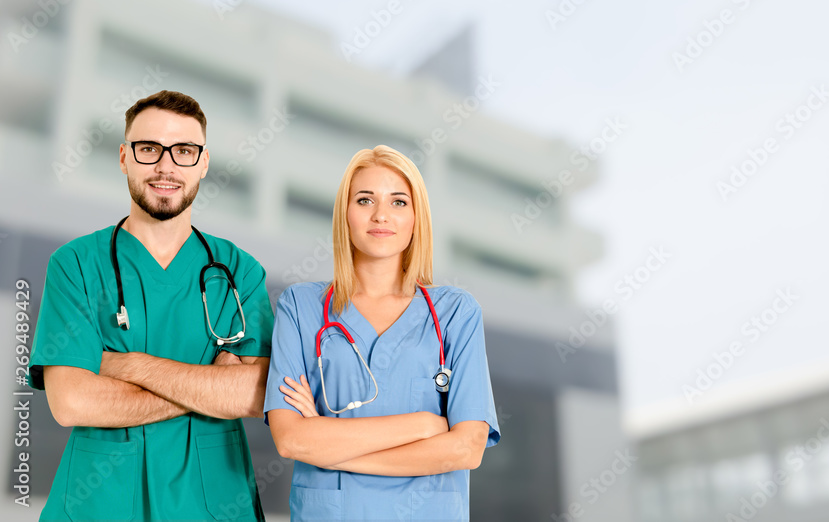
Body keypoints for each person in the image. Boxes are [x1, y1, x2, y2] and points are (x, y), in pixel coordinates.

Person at [28, 90, 274, 521]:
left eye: (183, 151)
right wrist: (210, 387)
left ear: (204, 162)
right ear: (124, 157)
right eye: (148, 149)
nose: (166, 166)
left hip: (210, 503)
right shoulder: (76, 265)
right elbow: (71, 404)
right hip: (101, 503)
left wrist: (125, 366)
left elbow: (255, 393)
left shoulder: (238, 270)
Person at [265, 145, 500, 521]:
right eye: (364, 200)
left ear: (416, 218)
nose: (380, 215)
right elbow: (292, 439)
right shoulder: (301, 307)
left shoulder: (456, 312)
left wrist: (329, 444)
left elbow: (466, 450)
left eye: (398, 202)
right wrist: (424, 426)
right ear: (345, 214)